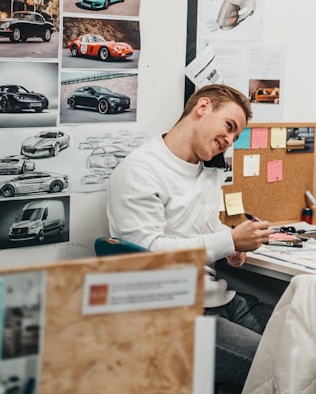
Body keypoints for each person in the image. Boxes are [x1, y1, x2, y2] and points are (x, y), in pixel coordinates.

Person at [107, 84, 273, 389]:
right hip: (169, 314)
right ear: (202, 107)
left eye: (236, 136)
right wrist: (230, 241)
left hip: (216, 298)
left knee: (302, 339)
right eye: (229, 126)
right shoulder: (140, 172)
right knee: (278, 366)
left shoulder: (209, 169)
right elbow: (150, 253)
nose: (230, 140)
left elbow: (205, 225)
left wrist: (231, 244)